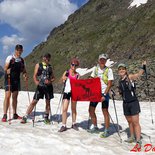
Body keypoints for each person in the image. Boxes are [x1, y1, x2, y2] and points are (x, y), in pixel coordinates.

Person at [117, 61, 146, 147]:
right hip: (125, 103)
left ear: (125, 70)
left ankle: (138, 140)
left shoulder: (129, 77)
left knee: (135, 122)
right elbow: (121, 92)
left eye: (123, 69)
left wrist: (143, 66)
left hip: (133, 102)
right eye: (120, 69)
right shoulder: (120, 81)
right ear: (118, 71)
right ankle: (132, 137)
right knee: (129, 121)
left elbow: (138, 75)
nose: (121, 70)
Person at [21, 53, 54, 124]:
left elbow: (53, 77)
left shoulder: (50, 67)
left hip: (48, 87)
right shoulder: (38, 65)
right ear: (43, 58)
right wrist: (36, 81)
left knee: (48, 102)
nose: (47, 59)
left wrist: (50, 81)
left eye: (48, 58)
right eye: (46, 58)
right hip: (40, 86)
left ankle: (46, 117)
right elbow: (34, 75)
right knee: (34, 101)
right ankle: (26, 116)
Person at [88, 53, 114, 137]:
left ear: (106, 61)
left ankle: (106, 130)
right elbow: (91, 80)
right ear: (98, 60)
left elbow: (110, 84)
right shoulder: (95, 69)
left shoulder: (109, 70)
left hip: (104, 93)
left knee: (105, 111)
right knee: (91, 110)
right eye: (101, 59)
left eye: (104, 59)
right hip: (95, 93)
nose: (102, 61)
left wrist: (105, 94)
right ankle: (95, 127)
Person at [2, 44, 27, 122]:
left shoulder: (22, 60)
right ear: (15, 50)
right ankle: (5, 114)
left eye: (20, 51)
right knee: (8, 96)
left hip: (16, 80)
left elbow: (24, 70)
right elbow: (5, 68)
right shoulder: (10, 58)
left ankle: (15, 114)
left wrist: (25, 75)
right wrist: (7, 70)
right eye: (18, 50)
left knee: (15, 97)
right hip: (9, 79)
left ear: (22, 51)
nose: (19, 52)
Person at [58, 58, 80, 132]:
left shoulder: (77, 75)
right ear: (70, 64)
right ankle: (63, 125)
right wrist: (63, 78)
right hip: (67, 92)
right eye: (73, 64)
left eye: (75, 65)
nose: (74, 66)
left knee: (73, 109)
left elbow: (79, 85)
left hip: (74, 93)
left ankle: (74, 124)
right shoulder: (66, 72)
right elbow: (60, 81)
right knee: (64, 109)